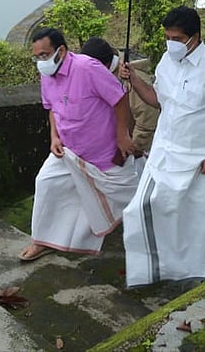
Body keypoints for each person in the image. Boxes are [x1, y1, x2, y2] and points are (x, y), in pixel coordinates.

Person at [119, 6, 205, 286]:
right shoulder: (167, 61)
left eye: (177, 38)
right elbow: (158, 99)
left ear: (194, 37)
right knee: (145, 210)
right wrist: (134, 79)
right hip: (165, 154)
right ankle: (160, 270)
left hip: (202, 161)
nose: (171, 43)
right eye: (168, 37)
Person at [19, 28, 137, 262]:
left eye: (44, 55)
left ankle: (151, 226)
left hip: (101, 150)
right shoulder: (46, 75)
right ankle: (41, 241)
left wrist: (122, 135)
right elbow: (51, 108)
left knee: (127, 194)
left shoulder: (88, 68)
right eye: (36, 57)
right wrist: (54, 137)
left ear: (61, 51)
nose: (40, 62)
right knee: (45, 183)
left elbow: (120, 98)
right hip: (68, 149)